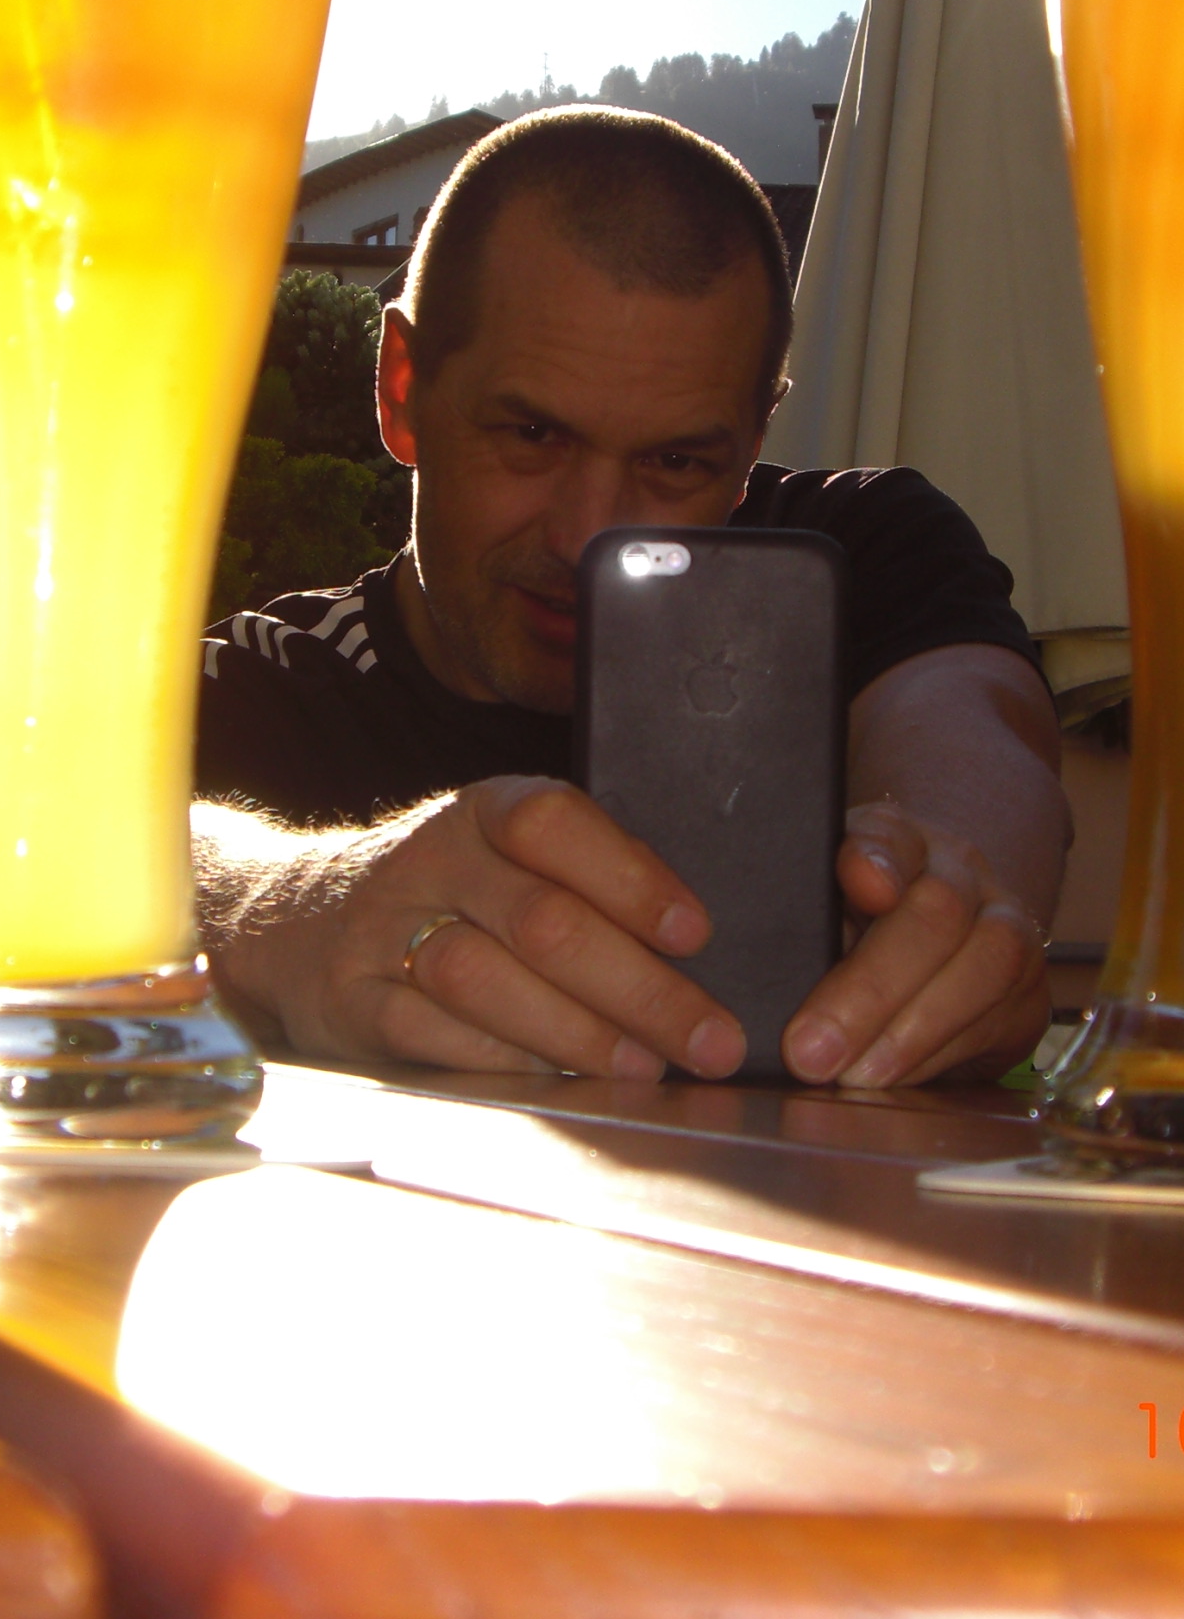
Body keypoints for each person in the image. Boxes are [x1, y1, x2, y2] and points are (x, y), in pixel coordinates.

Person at [192, 106, 1066, 1086]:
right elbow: (122, 842)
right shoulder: (272, 683)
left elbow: (974, 738)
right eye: (531, 436)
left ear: (753, 438)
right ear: (402, 391)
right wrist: (295, 905)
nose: (586, 537)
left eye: (676, 462)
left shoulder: (855, 557)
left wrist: (947, 898)